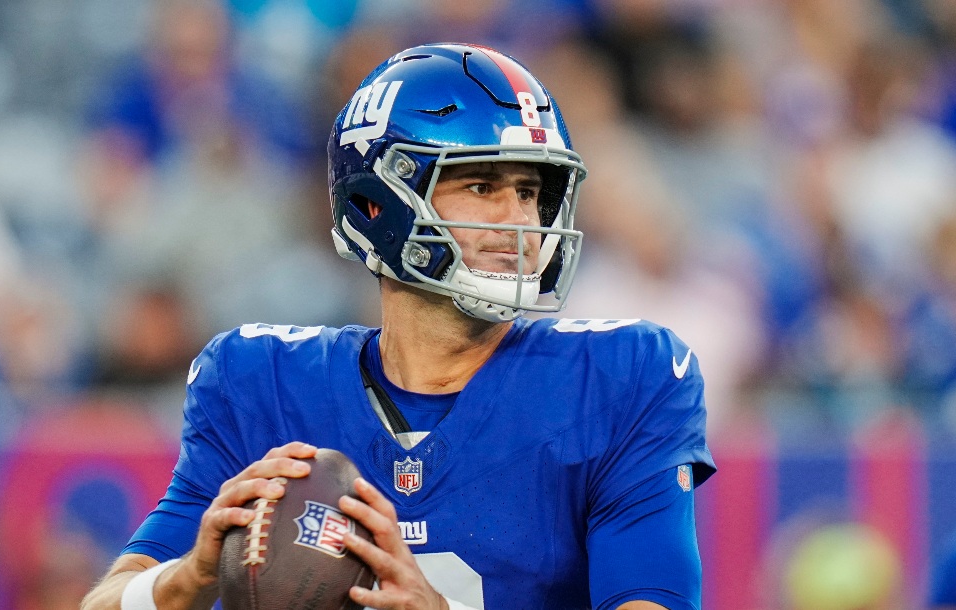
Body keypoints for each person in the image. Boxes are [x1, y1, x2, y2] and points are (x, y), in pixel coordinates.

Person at [81, 43, 716, 610]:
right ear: (376, 202)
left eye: (531, 190)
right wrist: (186, 578)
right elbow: (106, 602)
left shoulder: (623, 378)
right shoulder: (260, 382)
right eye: (481, 184)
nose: (519, 219)